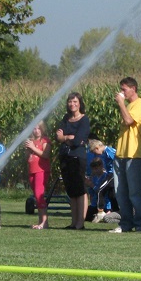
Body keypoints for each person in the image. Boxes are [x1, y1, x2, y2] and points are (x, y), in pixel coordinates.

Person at [113, 76, 141, 233]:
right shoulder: (129, 106)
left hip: (134, 155)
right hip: (121, 153)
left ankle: (140, 224)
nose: (122, 92)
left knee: (134, 192)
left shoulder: (139, 104)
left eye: (124, 89)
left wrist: (121, 103)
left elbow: (128, 120)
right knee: (120, 192)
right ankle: (126, 224)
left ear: (133, 89)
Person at [56, 92, 90, 230]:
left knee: (80, 189)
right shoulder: (65, 118)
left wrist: (67, 137)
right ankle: (73, 221)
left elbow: (78, 140)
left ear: (80, 103)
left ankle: (80, 222)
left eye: (75, 101)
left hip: (77, 157)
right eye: (70, 101)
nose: (72, 104)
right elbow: (58, 136)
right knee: (71, 190)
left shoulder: (84, 119)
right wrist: (66, 137)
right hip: (65, 156)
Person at [24, 122, 51, 229]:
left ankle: (45, 222)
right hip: (32, 170)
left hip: (41, 170)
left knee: (40, 195)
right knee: (36, 196)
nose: (36, 130)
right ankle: (40, 221)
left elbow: (45, 154)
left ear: (42, 129)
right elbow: (27, 158)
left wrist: (33, 148)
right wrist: (27, 149)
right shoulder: (31, 141)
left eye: (38, 128)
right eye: (34, 128)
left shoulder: (45, 141)